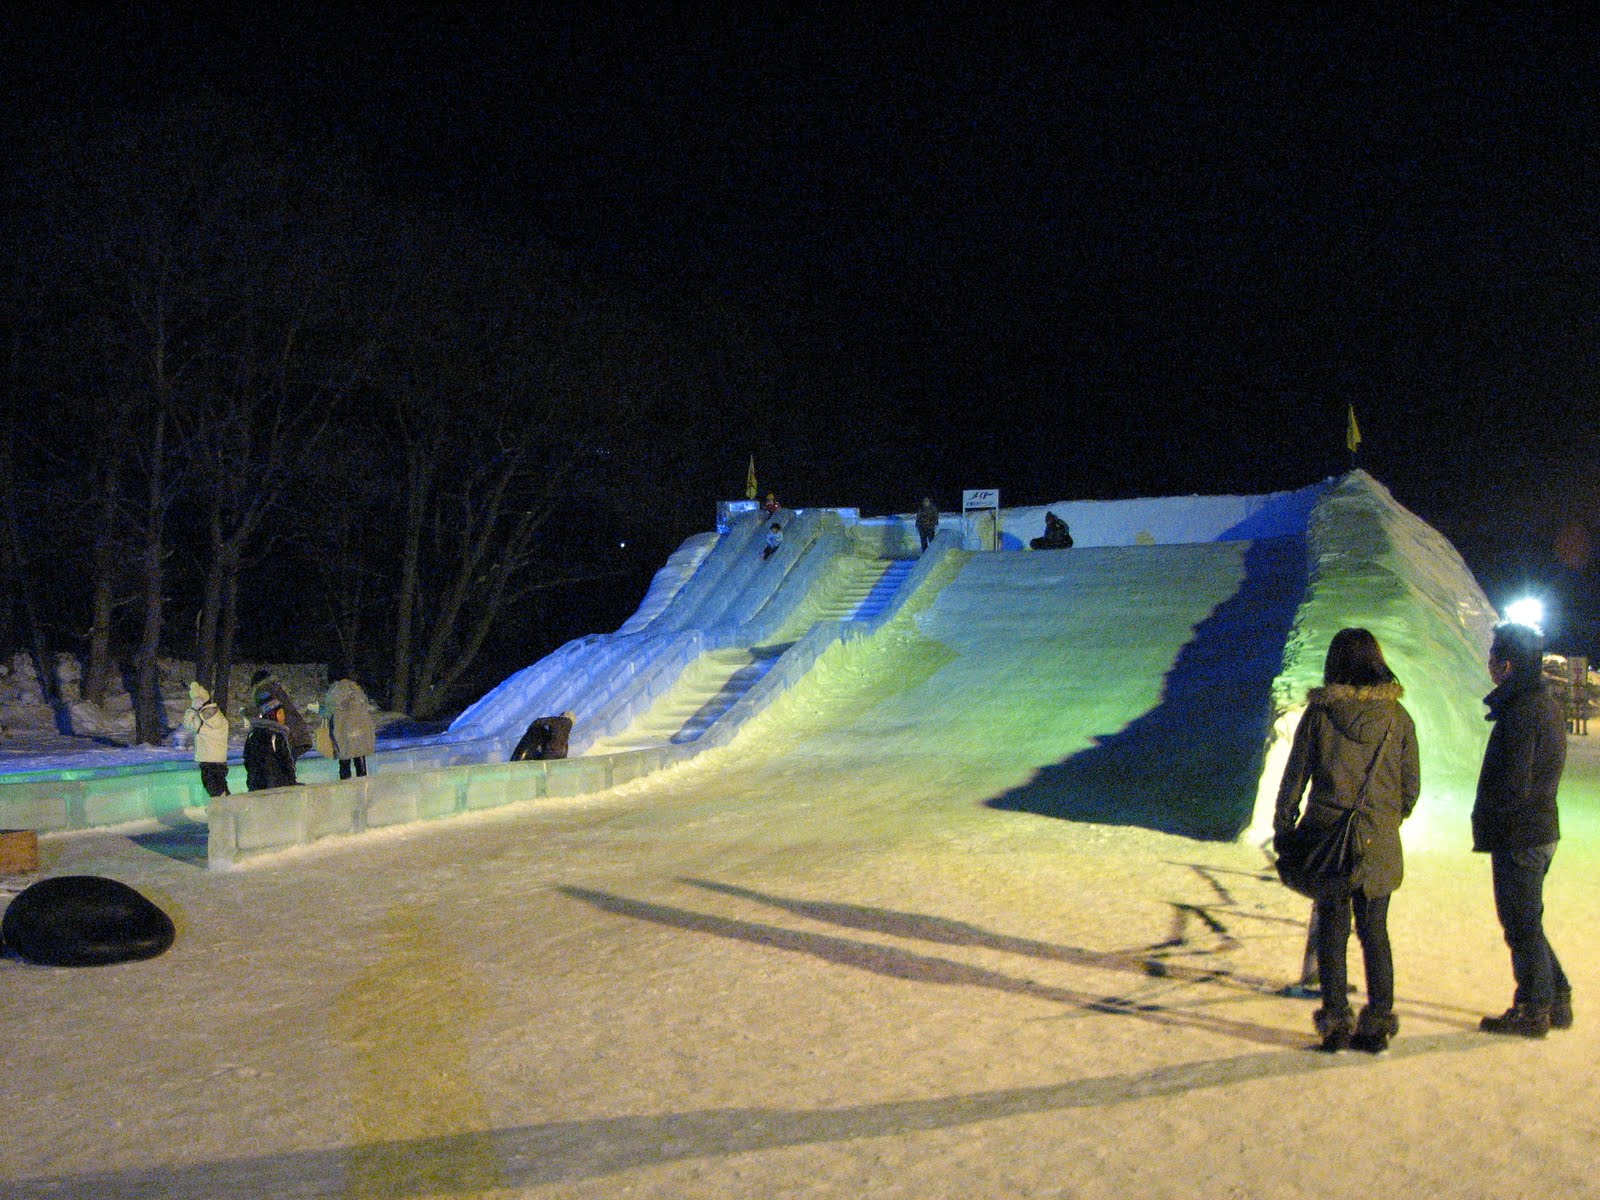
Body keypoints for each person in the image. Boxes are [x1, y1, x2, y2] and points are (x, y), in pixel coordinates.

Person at [1275, 628, 1420, 1053]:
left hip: (1327, 838)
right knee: (1375, 932)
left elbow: (1293, 781)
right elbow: (1410, 789)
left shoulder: (1320, 715)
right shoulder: (1398, 719)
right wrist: (1383, 821)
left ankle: (1336, 1021)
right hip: (1378, 842)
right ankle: (1376, 1024)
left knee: (1333, 930)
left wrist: (1286, 830)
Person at [1473, 622, 1572, 1038]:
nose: (1489, 665)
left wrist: (1496, 823)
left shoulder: (1522, 712)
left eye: (1493, 657)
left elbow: (1513, 783)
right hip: (1539, 828)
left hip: (1521, 833)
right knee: (1528, 919)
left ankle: (1534, 1009)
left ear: (1507, 665)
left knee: (1520, 923)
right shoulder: (1541, 703)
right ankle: (1557, 998)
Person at [182, 681, 231, 799]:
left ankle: (223, 812)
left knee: (214, 790)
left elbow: (187, 724)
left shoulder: (202, 718)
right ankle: (228, 808)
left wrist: (192, 709)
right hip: (220, 760)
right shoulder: (218, 715)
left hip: (208, 761)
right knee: (221, 787)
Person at [250, 669, 313, 760]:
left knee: (281, 769)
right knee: (288, 768)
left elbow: (273, 715)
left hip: (289, 737)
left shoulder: (262, 691)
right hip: (299, 735)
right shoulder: (277, 690)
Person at [322, 677, 377, 780]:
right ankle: (362, 778)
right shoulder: (356, 692)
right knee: (359, 756)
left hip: (342, 729)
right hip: (357, 731)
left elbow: (329, 711)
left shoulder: (336, 692)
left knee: (344, 757)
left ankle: (346, 779)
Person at [244, 699, 299, 791]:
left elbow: (248, 760)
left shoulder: (252, 734)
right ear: (271, 715)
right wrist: (290, 781)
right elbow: (284, 761)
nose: (283, 717)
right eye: (280, 713)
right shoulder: (275, 736)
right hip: (275, 786)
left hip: (257, 786)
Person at [511, 711, 575, 761]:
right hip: (558, 755)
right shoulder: (566, 734)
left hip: (549, 752)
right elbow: (564, 748)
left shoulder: (555, 720)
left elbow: (538, 721)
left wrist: (531, 729)